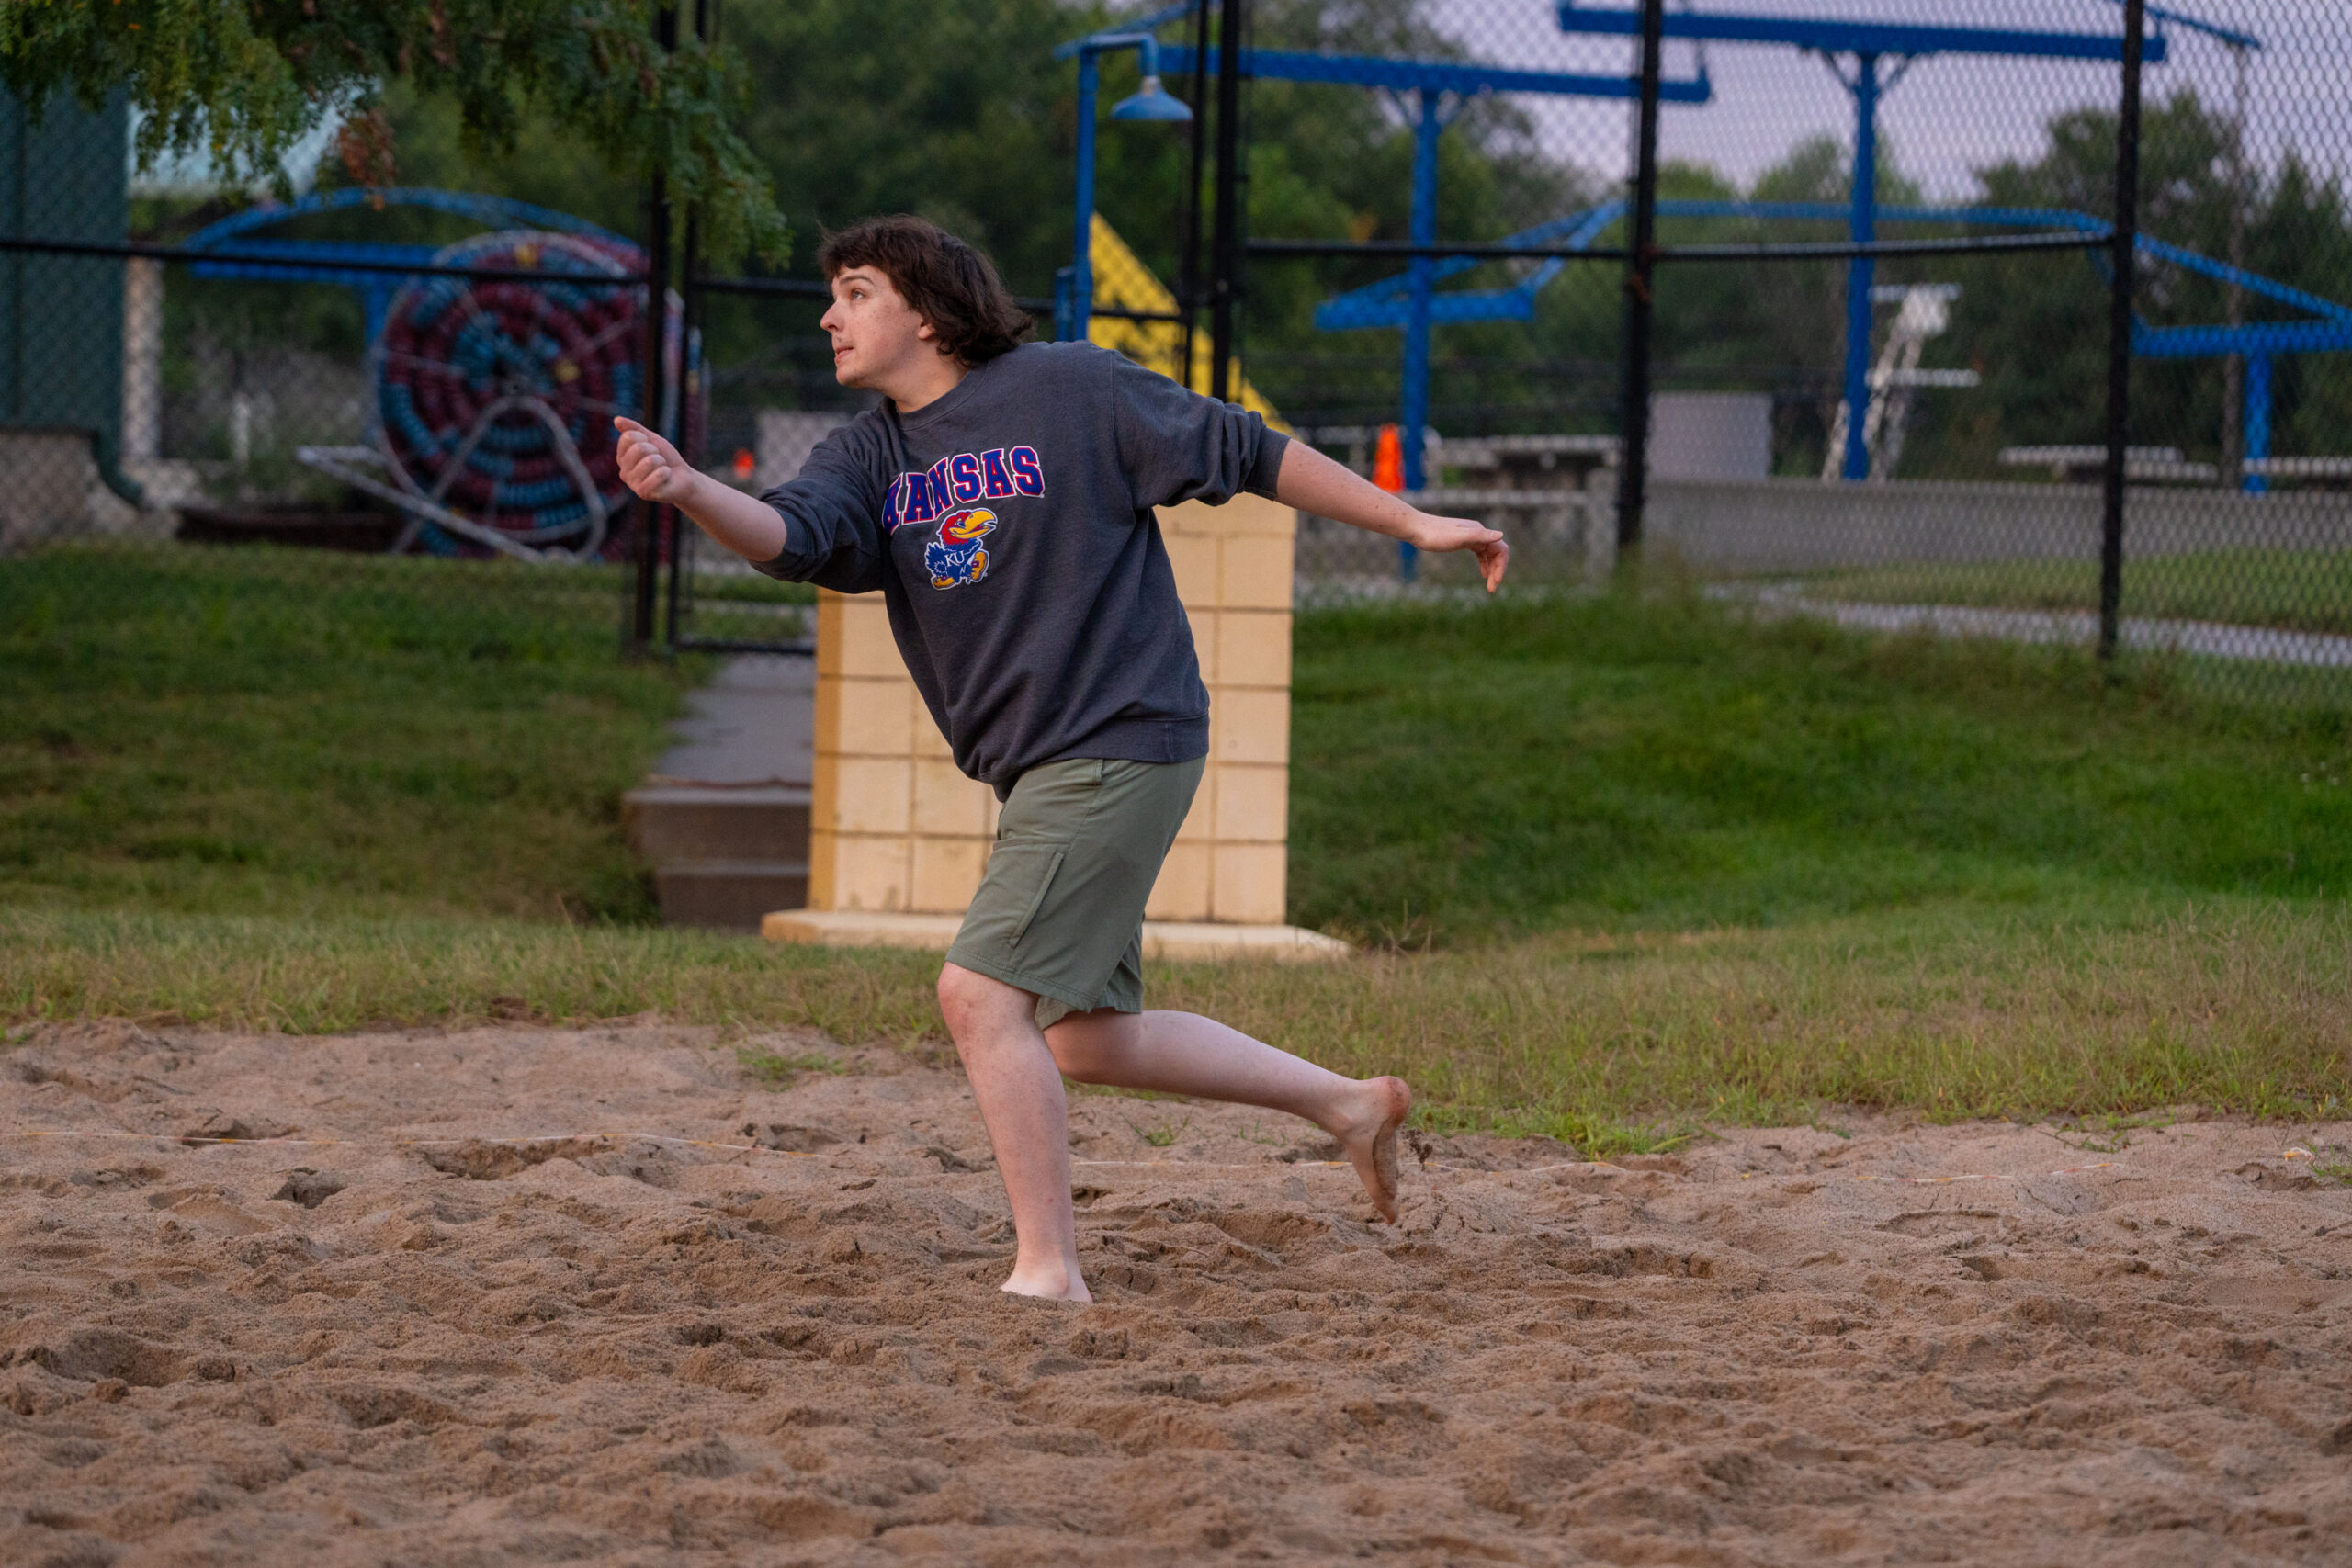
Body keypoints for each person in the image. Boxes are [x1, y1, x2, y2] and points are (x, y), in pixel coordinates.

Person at [615, 216, 1507, 1303]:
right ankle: (1347, 1105)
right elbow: (792, 537)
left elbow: (1249, 451)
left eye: (854, 292)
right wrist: (689, 488)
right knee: (1085, 1038)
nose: (828, 317)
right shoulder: (871, 451)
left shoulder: (1071, 389)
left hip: (1118, 732)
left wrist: (1413, 524)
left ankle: (1048, 1272)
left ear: (926, 310)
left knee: (978, 999)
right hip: (1043, 765)